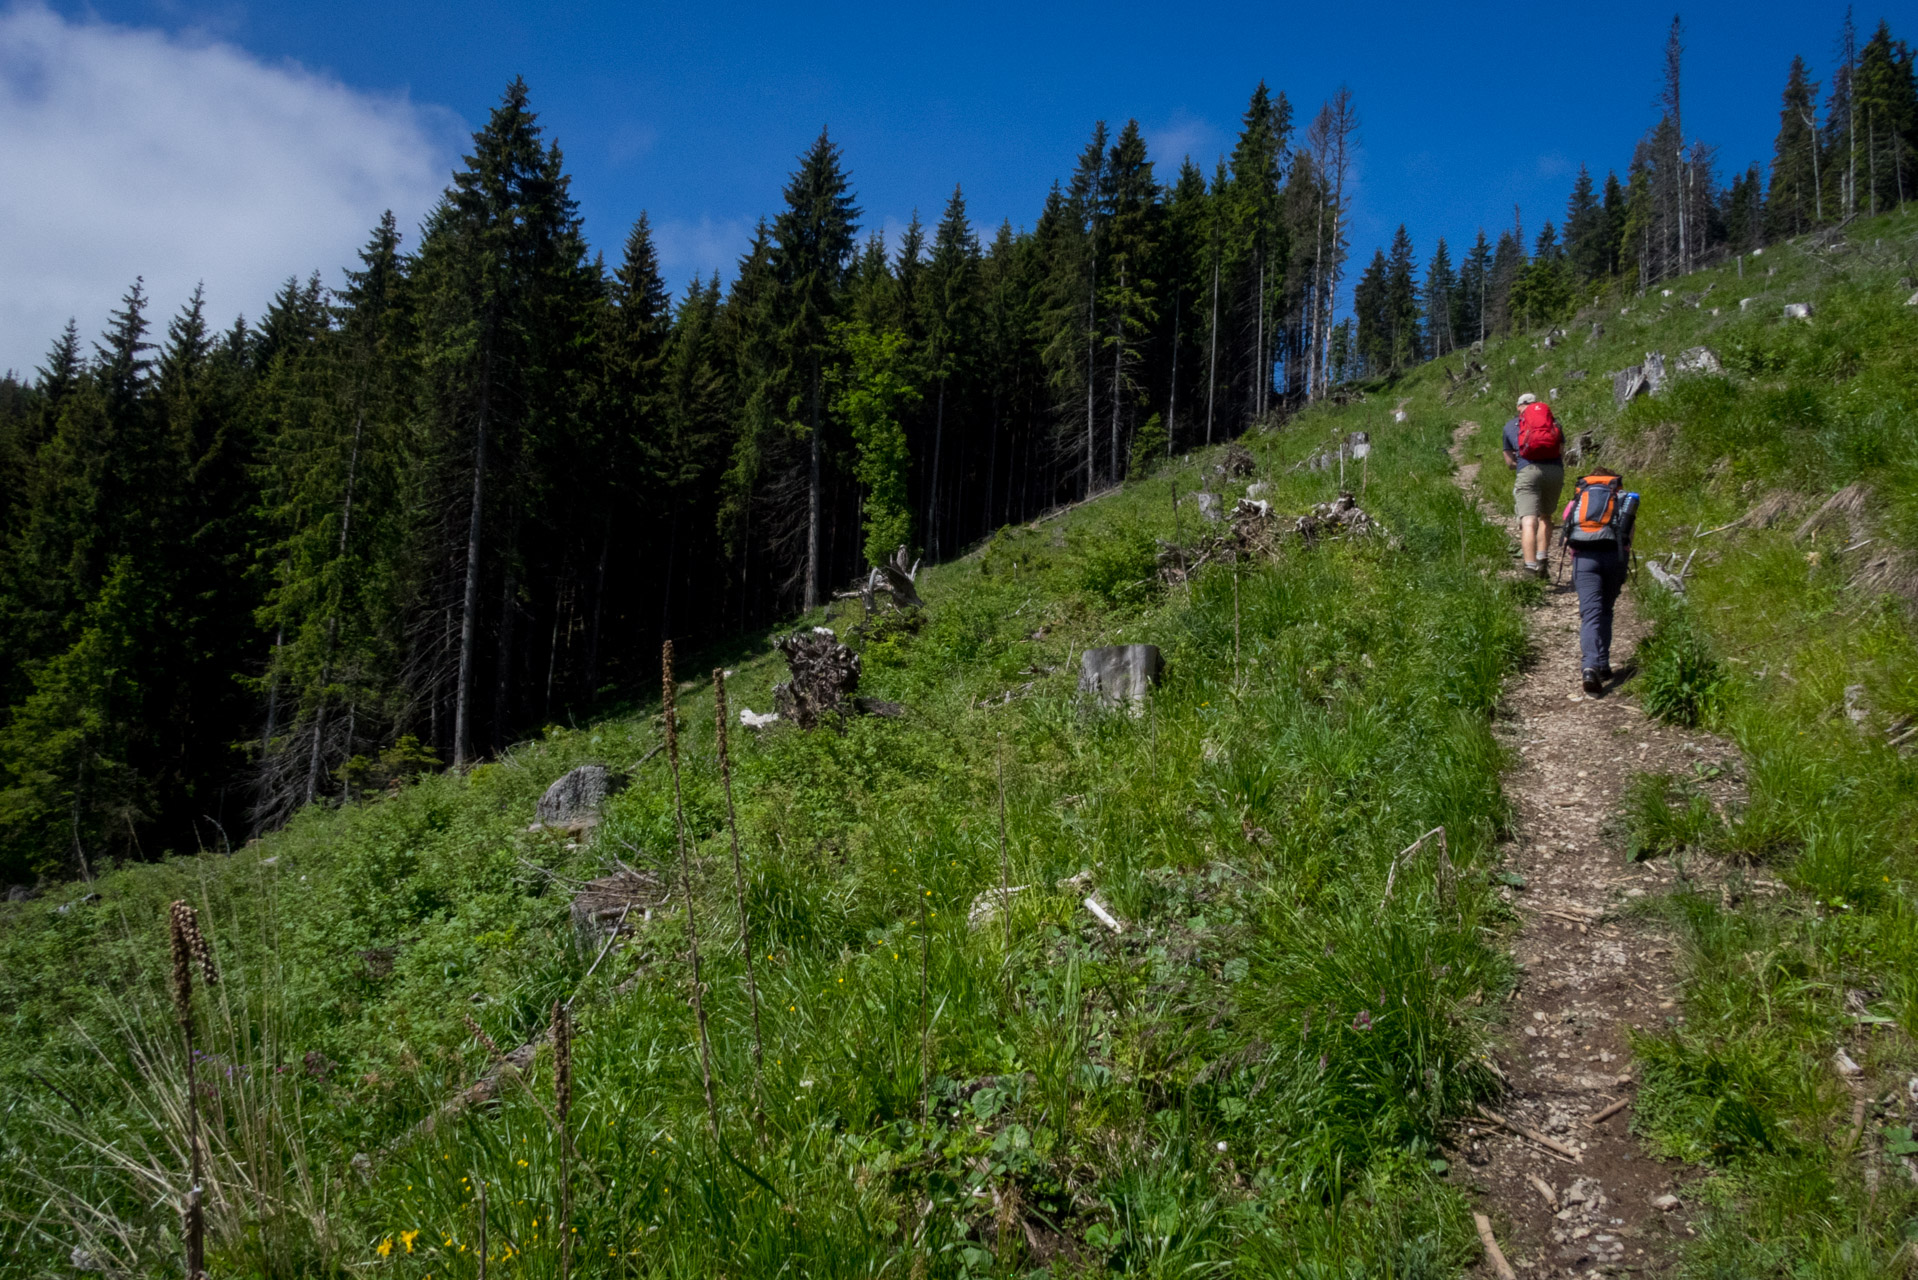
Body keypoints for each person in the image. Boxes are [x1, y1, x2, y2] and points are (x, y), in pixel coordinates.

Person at [1560, 471, 1637, 695]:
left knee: (1590, 613)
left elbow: (1567, 535)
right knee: (1606, 610)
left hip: (1584, 559)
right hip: (1614, 559)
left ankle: (1590, 667)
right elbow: (1629, 536)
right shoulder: (1622, 501)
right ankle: (1603, 663)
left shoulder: (1577, 500)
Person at [1502, 393, 1564, 578]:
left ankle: (1530, 569)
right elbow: (1561, 451)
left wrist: (1521, 463)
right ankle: (1542, 560)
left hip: (1527, 471)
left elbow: (1509, 462)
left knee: (1529, 519)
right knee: (1546, 517)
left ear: (1519, 406)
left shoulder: (1510, 426)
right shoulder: (1553, 422)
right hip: (1554, 471)